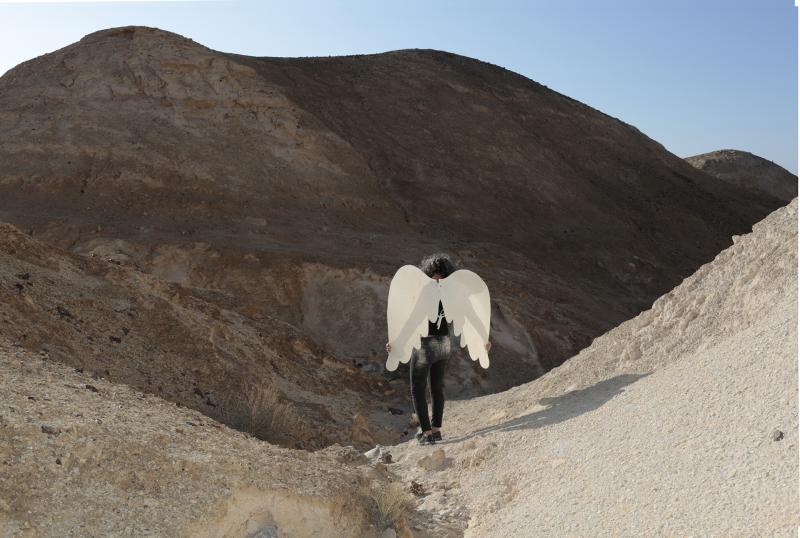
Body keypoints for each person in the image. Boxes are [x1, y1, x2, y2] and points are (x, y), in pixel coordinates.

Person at [385, 253, 491, 446]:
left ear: (428, 272)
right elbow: (473, 316)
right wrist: (484, 339)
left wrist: (397, 341)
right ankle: (436, 430)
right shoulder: (453, 293)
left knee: (417, 389)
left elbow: (413, 321)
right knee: (437, 388)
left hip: (426, 345)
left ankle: (426, 434)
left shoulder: (427, 290)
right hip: (445, 344)